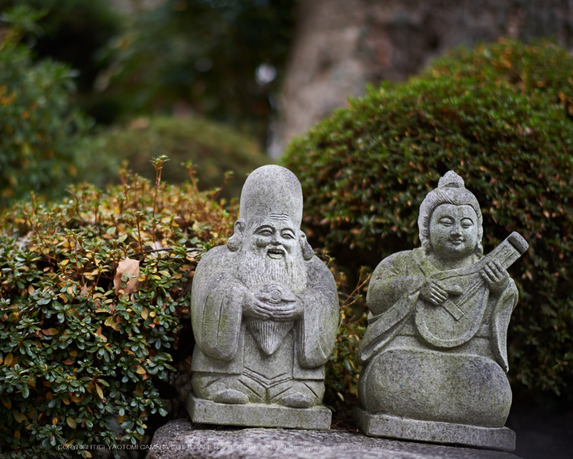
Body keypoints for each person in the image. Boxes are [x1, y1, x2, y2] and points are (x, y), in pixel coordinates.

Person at [357, 170, 521, 429]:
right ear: (426, 228)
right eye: (446, 222)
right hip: (407, 356)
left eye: (466, 224)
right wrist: (415, 286)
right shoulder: (401, 263)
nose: (457, 232)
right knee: (386, 376)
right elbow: (374, 297)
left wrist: (503, 290)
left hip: (470, 362)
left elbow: (504, 307)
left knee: (494, 387)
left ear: (478, 232)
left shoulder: (491, 273)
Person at [190, 165, 339, 408]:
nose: (276, 241)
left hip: (296, 381)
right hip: (228, 376)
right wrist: (241, 300)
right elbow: (208, 293)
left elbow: (326, 300)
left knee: (304, 390)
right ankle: (222, 384)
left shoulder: (314, 269)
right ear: (241, 230)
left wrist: (303, 306)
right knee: (221, 383)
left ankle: (294, 386)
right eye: (266, 231)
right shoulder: (219, 259)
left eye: (287, 234)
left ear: (301, 238)